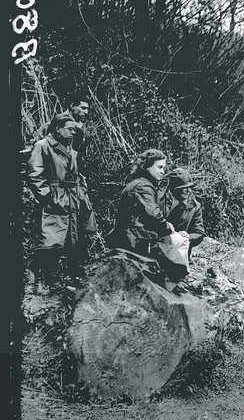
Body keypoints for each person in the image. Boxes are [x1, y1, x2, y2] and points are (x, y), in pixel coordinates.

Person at [26, 113, 97, 291]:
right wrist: (47, 195)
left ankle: (61, 280)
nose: (73, 132)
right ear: (57, 129)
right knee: (51, 241)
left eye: (74, 129)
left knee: (71, 241)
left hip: (72, 198)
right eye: (69, 129)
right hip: (55, 199)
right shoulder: (43, 146)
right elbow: (34, 174)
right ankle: (38, 277)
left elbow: (77, 175)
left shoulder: (71, 149)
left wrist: (82, 192)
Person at [108, 149, 190, 287]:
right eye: (160, 167)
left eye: (163, 168)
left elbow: (149, 214)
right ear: (146, 166)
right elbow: (153, 215)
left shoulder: (141, 183)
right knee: (181, 241)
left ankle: (174, 279)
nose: (163, 171)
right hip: (135, 238)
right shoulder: (143, 186)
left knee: (178, 240)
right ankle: (174, 280)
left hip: (134, 234)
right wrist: (166, 226)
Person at [160, 167, 205, 260]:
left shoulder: (195, 207)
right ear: (174, 188)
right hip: (157, 248)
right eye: (185, 188)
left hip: (179, 254)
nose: (188, 191)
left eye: (190, 187)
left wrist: (188, 236)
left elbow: (199, 233)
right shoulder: (159, 200)